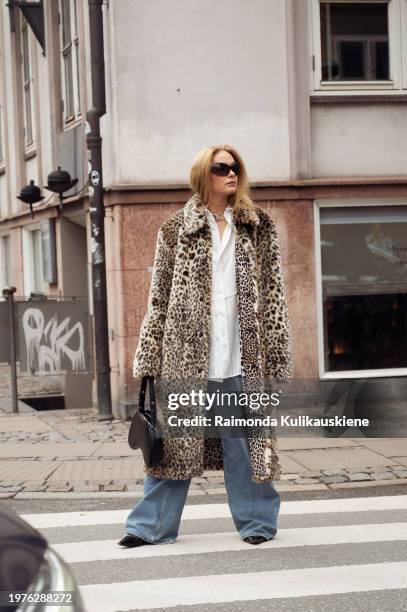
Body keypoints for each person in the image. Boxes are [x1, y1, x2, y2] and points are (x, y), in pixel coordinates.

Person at [119, 144, 293, 547]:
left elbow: (274, 294)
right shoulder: (175, 228)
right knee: (172, 450)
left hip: (239, 356)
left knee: (245, 447)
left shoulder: (257, 226)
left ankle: (257, 523)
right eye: (221, 167)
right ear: (204, 174)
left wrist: (277, 351)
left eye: (235, 167)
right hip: (186, 356)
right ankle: (150, 527)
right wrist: (149, 354)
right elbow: (158, 296)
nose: (231, 174)